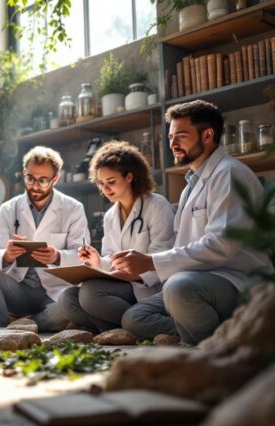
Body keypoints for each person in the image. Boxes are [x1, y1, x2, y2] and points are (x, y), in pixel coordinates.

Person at [111, 100, 273, 344]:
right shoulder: (192, 184)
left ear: (207, 135)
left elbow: (221, 245)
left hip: (236, 280)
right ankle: (225, 331)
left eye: (181, 136)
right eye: (170, 137)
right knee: (136, 316)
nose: (172, 144)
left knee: (178, 288)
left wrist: (150, 262)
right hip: (201, 279)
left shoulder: (228, 173)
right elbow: (183, 244)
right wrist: (142, 264)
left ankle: (211, 353)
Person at [56, 141, 175, 333]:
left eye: (111, 182)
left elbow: (163, 259)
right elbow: (111, 260)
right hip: (120, 287)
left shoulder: (157, 206)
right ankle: (129, 327)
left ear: (129, 176)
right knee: (67, 299)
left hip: (148, 288)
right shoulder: (111, 216)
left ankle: (135, 322)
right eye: (101, 184)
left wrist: (131, 273)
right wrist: (96, 262)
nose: (105, 189)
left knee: (90, 293)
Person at [0, 146, 90, 331]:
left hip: (55, 292)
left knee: (70, 305)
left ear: (55, 179)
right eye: (30, 178)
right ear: (24, 173)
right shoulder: (8, 209)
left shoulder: (73, 208)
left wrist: (57, 256)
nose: (35, 185)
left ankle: (25, 326)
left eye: (43, 180)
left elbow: (82, 256)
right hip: (19, 289)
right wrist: (7, 255)